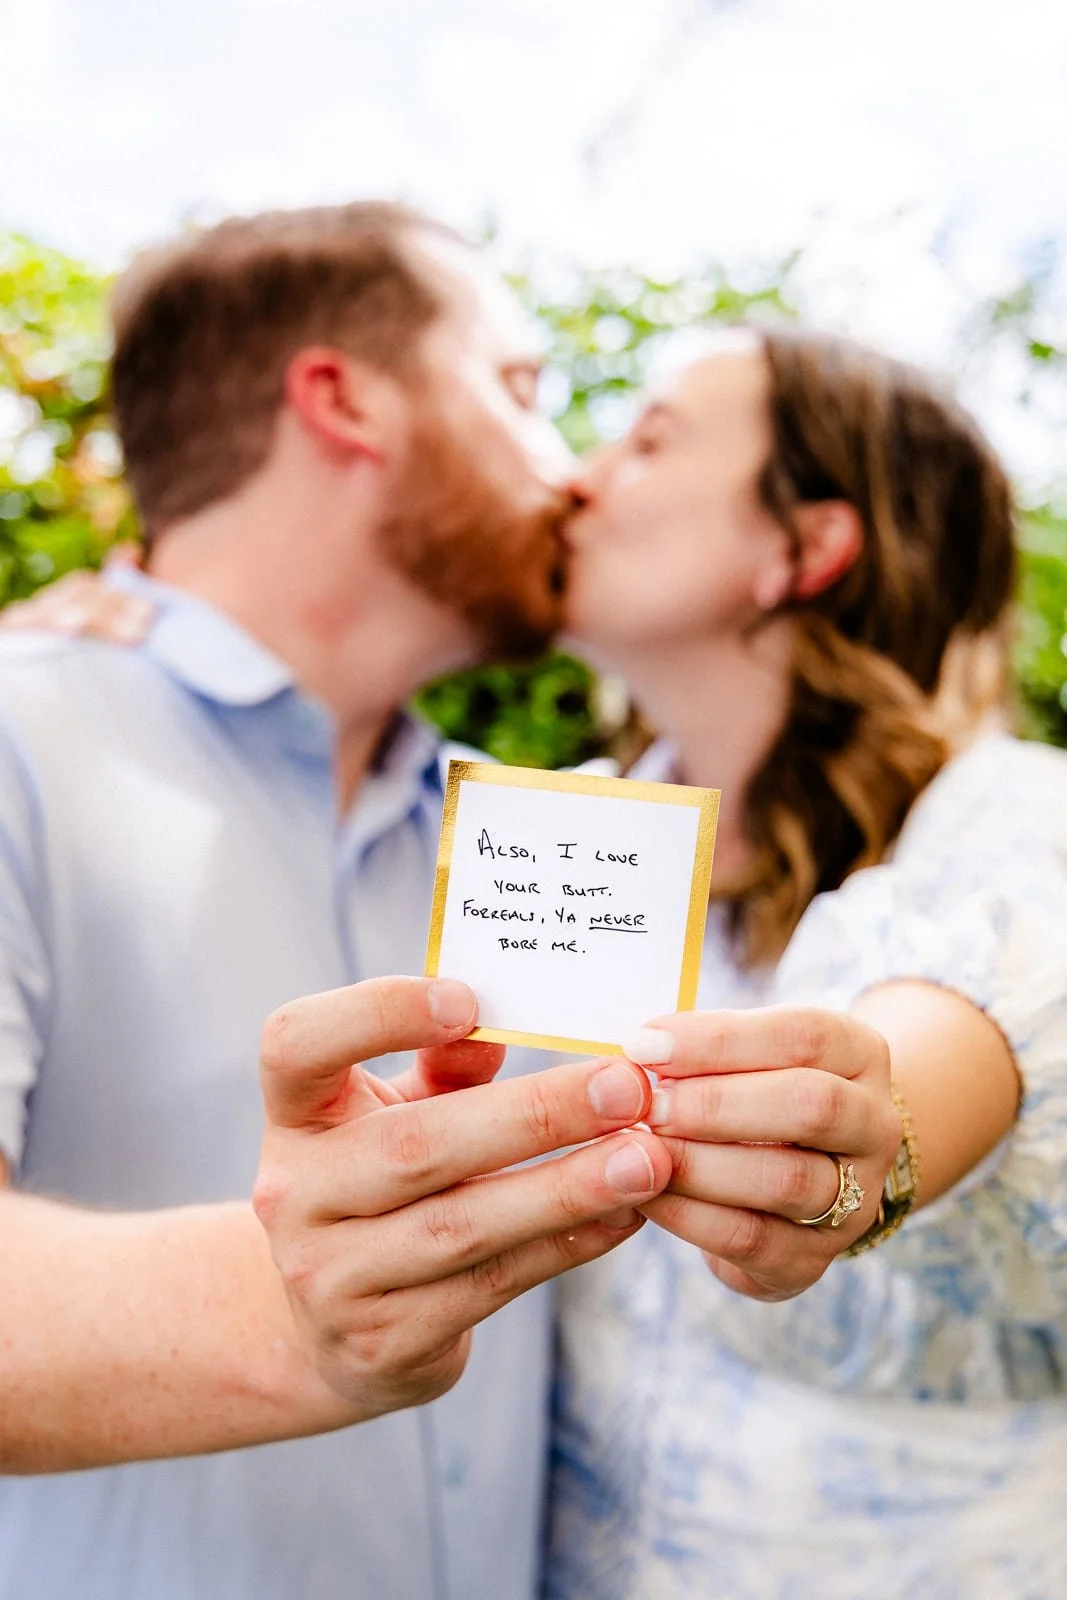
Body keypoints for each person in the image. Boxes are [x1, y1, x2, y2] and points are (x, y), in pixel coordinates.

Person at [0, 206, 899, 1600]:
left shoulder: (549, 831)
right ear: (341, 400)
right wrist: (288, 1314)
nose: (571, 475)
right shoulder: (21, 736)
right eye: (522, 393)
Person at [542, 328, 1067, 1597]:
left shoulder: (1019, 828)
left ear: (802, 550)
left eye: (650, 436)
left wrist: (861, 1137)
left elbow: (967, 1028)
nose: (576, 475)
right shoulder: (566, 838)